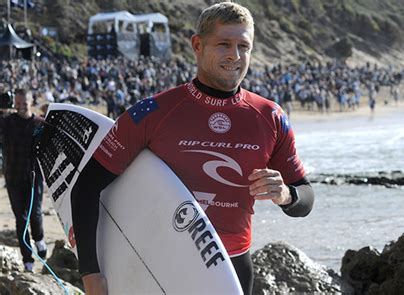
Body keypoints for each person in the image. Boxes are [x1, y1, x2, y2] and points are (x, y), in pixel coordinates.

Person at [71, 2, 315, 294]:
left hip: (232, 269)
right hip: (161, 266)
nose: (235, 56)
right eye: (224, 44)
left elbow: (306, 198)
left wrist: (287, 195)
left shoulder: (270, 117)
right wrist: (90, 272)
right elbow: (86, 186)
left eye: (244, 46)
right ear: (197, 45)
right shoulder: (153, 113)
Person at [0, 89, 47, 272]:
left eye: (24, 104)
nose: (20, 107)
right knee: (21, 219)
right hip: (13, 178)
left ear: (31, 103)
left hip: (34, 178)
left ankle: (40, 239)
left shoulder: (39, 124)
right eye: (17, 104)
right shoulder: (6, 122)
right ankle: (27, 260)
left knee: (35, 214)